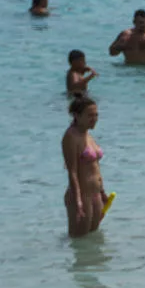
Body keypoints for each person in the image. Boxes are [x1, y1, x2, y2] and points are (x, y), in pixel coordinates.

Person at [60, 94, 110, 236]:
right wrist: (78, 201)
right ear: (76, 115)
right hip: (82, 197)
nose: (94, 119)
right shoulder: (71, 137)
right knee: (79, 241)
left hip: (95, 195)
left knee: (92, 241)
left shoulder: (87, 134)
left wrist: (102, 192)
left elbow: (95, 167)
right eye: (89, 115)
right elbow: (73, 171)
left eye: (96, 115)